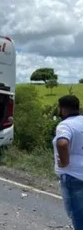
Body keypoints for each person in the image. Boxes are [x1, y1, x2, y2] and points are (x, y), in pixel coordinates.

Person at [53, 95, 83, 229]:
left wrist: (64, 162)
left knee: (77, 215)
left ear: (63, 109)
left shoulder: (65, 125)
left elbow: (62, 143)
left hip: (73, 176)